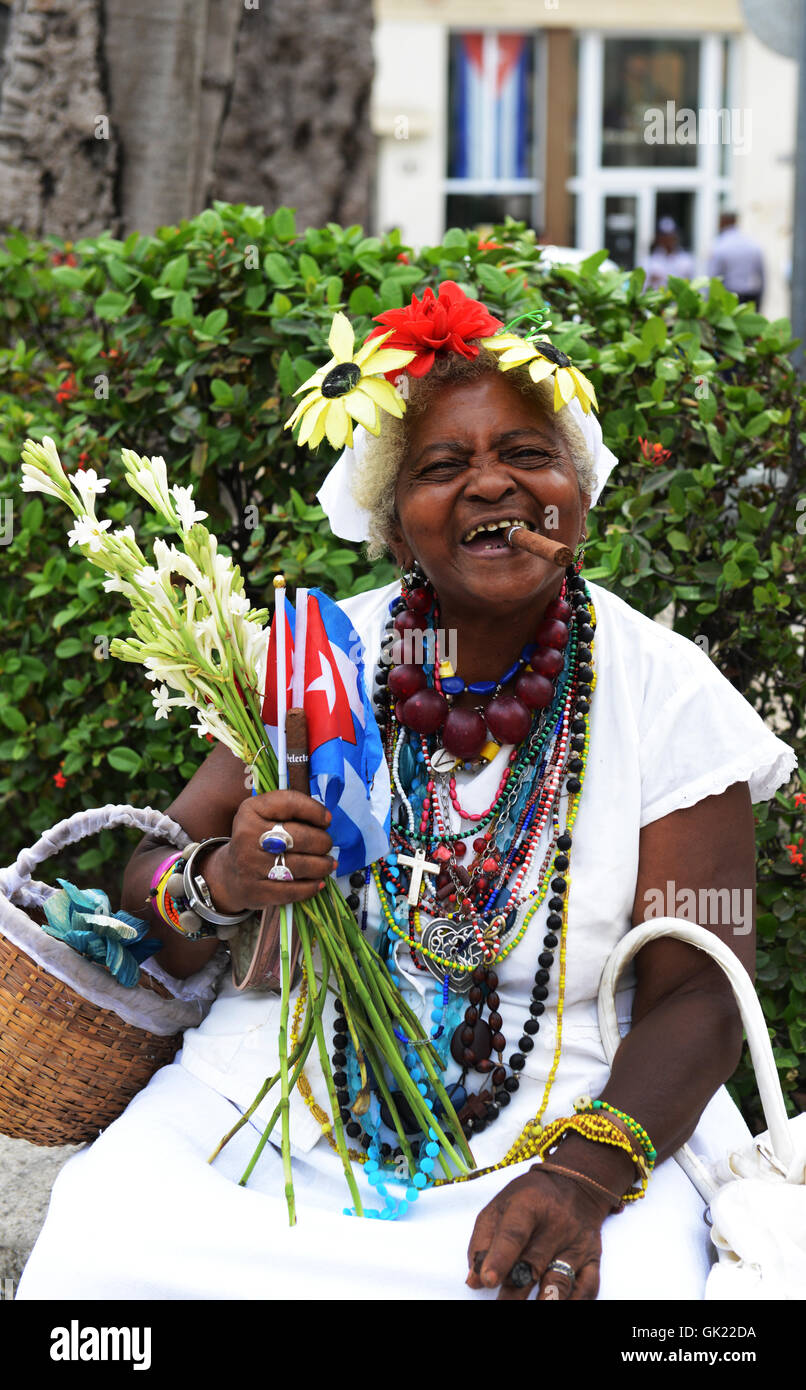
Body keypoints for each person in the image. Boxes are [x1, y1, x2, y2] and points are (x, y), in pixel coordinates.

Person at [17, 283, 796, 1302]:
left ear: (578, 492)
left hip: (573, 1119)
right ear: (393, 524)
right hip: (277, 1101)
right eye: (442, 466)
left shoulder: (666, 687)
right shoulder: (312, 660)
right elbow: (146, 881)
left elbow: (701, 982)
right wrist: (223, 879)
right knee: (107, 1242)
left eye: (527, 454)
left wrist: (583, 1174)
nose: (492, 486)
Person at [707, 212, 765, 309]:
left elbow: (714, 278)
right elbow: (761, 276)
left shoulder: (719, 245)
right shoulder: (753, 245)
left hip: (729, 297)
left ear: (722, 222)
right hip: (752, 296)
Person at [640, 216, 695, 288]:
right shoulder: (649, 261)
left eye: (670, 236)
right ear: (659, 238)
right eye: (664, 236)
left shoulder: (686, 260)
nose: (668, 240)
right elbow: (643, 287)